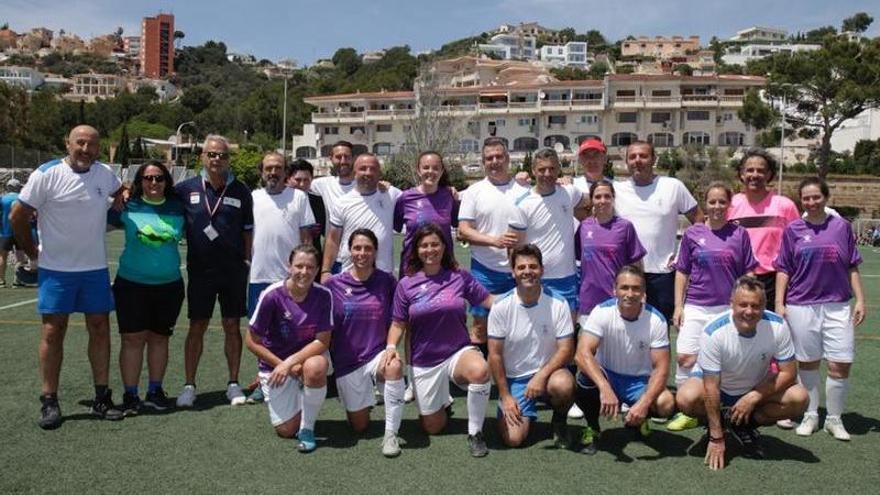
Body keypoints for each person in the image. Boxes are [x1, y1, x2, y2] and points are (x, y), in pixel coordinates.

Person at [11, 125, 125, 429]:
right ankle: (49, 400)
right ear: (68, 143)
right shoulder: (46, 174)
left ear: (99, 148)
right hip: (56, 270)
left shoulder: (104, 174)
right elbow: (17, 215)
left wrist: (122, 195)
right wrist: (32, 251)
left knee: (100, 329)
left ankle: (102, 397)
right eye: (80, 143)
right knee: (52, 332)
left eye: (92, 145)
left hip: (94, 268)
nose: (85, 149)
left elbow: (119, 190)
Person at [675, 276, 809, 469]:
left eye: (755, 306)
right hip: (719, 385)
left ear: (764, 306)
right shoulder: (714, 332)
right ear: (731, 304)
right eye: (743, 305)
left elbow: (789, 372)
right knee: (686, 398)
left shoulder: (778, 325)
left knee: (800, 398)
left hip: (755, 385)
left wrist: (754, 396)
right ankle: (719, 423)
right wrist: (716, 437)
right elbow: (711, 387)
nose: (749, 311)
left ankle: (744, 424)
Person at [387, 223, 494, 457]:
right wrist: (391, 346)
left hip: (458, 351)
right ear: (416, 250)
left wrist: (523, 297)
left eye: (435, 244)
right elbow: (398, 323)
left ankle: (475, 433)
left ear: (445, 247)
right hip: (424, 359)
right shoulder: (406, 284)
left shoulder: (459, 276)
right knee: (432, 427)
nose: (430, 249)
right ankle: (443, 402)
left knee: (480, 370)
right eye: (424, 245)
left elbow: (489, 302)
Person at [775, 178, 867, 441]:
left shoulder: (842, 227)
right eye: (806, 198)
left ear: (826, 197)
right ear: (801, 201)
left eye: (816, 197)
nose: (812, 202)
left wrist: (859, 300)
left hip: (837, 305)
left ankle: (835, 420)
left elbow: (851, 266)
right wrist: (780, 303)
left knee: (841, 363)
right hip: (801, 305)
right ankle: (811, 415)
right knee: (808, 363)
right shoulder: (792, 230)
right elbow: (784, 268)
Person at [667, 182, 757, 431]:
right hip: (696, 304)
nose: (717, 207)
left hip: (726, 310)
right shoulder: (692, 234)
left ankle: (721, 409)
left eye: (722, 202)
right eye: (712, 202)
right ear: (705, 203)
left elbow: (748, 271)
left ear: (729, 205)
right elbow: (682, 272)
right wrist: (678, 306)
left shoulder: (739, 235)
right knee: (685, 357)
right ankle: (686, 410)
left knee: (724, 362)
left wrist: (746, 303)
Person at [174, 135, 254, 407]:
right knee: (197, 325)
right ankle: (189, 385)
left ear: (228, 159)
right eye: (211, 154)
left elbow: (247, 231)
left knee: (232, 325)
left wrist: (245, 260)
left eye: (222, 155)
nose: (216, 159)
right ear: (202, 157)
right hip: (200, 271)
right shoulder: (185, 189)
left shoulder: (242, 191)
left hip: (233, 271)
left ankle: (233, 383)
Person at [108, 161, 185, 414]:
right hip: (131, 285)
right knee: (132, 340)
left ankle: (155, 390)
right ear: (140, 181)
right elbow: (92, 222)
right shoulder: (126, 206)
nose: (154, 183)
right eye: (148, 178)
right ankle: (130, 395)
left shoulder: (178, 207)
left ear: (167, 181)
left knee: (159, 339)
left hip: (169, 286)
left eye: (159, 178)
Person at [573, 265, 675, 454]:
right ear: (615, 290)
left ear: (644, 292)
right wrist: (604, 388)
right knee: (584, 378)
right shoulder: (602, 312)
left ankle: (638, 418)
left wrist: (643, 403)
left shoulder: (656, 320)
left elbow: (661, 368)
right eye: (624, 287)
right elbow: (582, 353)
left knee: (666, 403)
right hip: (608, 376)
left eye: (636, 288)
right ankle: (593, 428)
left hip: (639, 382)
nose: (630, 293)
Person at [324, 229, 405, 457]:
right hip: (347, 362)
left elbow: (398, 319)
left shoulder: (387, 281)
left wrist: (391, 348)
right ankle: (365, 397)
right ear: (349, 251)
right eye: (357, 248)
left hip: (377, 355)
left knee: (394, 366)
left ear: (375, 251)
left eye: (368, 248)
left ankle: (391, 434)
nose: (362, 253)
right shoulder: (334, 284)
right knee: (359, 426)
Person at [488, 244, 576, 447]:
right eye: (521, 267)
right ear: (513, 272)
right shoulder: (501, 306)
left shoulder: (558, 303)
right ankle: (521, 411)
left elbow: (566, 349)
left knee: (563, 384)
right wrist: (505, 396)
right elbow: (495, 355)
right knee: (514, 439)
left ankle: (559, 421)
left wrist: (541, 376)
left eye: (533, 266)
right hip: (515, 380)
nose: (527, 272)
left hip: (548, 376)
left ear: (542, 270)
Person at [246, 244, 332, 453]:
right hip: (275, 365)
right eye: (299, 266)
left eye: (310, 267)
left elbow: (322, 341)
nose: (304, 272)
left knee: (317, 365)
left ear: (317, 268)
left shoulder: (324, 295)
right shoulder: (272, 295)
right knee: (285, 430)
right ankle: (305, 396)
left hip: (304, 359)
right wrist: (282, 365)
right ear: (289, 266)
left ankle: (307, 428)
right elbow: (251, 340)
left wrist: (291, 363)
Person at [614, 141, 701, 322]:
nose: (638, 160)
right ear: (626, 162)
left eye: (643, 156)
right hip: (627, 274)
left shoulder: (673, 186)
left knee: (660, 330)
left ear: (653, 159)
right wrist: (563, 182)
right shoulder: (615, 189)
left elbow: (699, 222)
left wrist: (681, 257)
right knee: (626, 330)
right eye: (632, 157)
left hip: (662, 275)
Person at [457, 138, 528, 356]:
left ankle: (512, 372)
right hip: (485, 270)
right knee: (480, 327)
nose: (494, 161)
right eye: (489, 158)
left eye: (499, 157)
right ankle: (481, 380)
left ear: (507, 159)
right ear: (483, 162)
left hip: (519, 271)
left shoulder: (525, 191)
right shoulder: (474, 191)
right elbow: (463, 231)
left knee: (518, 324)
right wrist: (494, 241)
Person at [509, 148, 586, 314]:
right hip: (535, 279)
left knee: (568, 332)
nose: (547, 174)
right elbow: (514, 248)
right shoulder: (522, 204)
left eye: (552, 169)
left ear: (558, 169)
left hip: (567, 278)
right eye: (542, 169)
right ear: (533, 171)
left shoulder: (569, 192)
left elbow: (590, 202)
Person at [727, 148, 799, 312]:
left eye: (761, 171)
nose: (755, 175)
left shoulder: (785, 206)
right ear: (742, 174)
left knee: (772, 332)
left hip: (774, 281)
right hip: (736, 278)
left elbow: (798, 246)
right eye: (750, 170)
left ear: (769, 175)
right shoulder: (730, 204)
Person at [249, 152, 314, 316]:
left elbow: (306, 238)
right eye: (268, 168)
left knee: (292, 328)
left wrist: (304, 271)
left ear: (285, 172)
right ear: (262, 172)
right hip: (259, 277)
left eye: (278, 168)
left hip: (290, 278)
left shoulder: (299, 197)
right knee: (258, 330)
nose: (273, 172)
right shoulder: (252, 198)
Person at [321, 153, 401, 281]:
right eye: (363, 168)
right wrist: (325, 270)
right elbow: (333, 240)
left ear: (380, 174)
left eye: (373, 169)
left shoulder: (392, 195)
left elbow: (419, 196)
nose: (368, 173)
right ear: (354, 173)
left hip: (383, 277)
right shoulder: (342, 203)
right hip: (350, 275)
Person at [575, 180, 645, 318]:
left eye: (607, 196)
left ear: (613, 199)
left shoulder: (625, 227)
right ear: (592, 200)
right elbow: (578, 259)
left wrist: (642, 291)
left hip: (617, 301)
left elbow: (636, 264)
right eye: (598, 197)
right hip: (588, 302)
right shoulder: (584, 227)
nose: (603, 200)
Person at [393, 151, 458, 278]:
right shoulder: (406, 198)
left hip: (443, 267)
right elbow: (396, 226)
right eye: (426, 167)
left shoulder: (450, 196)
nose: (430, 171)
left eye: (435, 168)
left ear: (442, 171)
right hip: (411, 268)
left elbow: (458, 224)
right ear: (418, 170)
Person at [310, 140, 356, 250]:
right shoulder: (321, 184)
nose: (343, 161)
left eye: (347, 157)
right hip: (332, 257)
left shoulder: (365, 186)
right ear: (331, 159)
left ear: (354, 158)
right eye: (338, 157)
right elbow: (298, 187)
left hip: (360, 255)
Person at [287, 159, 326, 257]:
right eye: (298, 180)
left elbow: (326, 233)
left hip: (311, 261)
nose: (302, 184)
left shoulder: (318, 201)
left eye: (306, 180)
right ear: (288, 179)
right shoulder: (282, 201)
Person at [1, 178, 27, 287]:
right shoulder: (22, 198)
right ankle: (18, 280)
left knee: (2, 256)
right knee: (20, 255)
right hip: (20, 232)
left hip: (5, 231)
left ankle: (1, 280)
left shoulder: (2, 199)